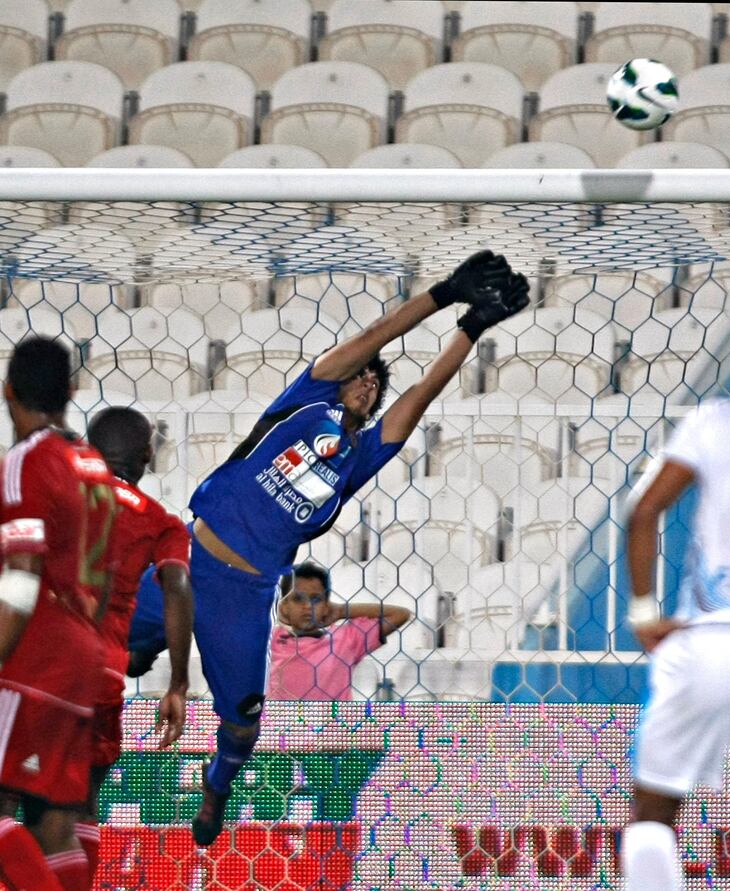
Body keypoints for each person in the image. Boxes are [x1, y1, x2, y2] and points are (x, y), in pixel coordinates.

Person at [188, 250, 530, 844]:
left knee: (243, 725)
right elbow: (376, 335)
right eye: (364, 374)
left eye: (376, 384)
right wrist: (446, 293)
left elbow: (418, 397)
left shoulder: (358, 458)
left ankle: (217, 784)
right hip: (187, 557)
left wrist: (469, 331)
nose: (369, 383)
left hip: (243, 595)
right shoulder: (306, 396)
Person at [622, 306, 730, 891]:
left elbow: (645, 511)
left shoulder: (718, 419)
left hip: (716, 632)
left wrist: (645, 613)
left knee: (655, 803)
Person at [0, 337, 117, 891]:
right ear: (71, 391)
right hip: (83, 656)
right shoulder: (93, 462)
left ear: (7, 392)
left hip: (34, 656)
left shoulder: (25, 460)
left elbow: (21, 579)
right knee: (53, 819)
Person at [73, 406, 194, 883]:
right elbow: (179, 587)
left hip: (33, 664)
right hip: (99, 674)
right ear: (147, 454)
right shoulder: (161, 522)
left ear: (87, 449)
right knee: (81, 805)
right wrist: (179, 683)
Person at [269, 561, 410, 700]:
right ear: (285, 606)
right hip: (284, 720)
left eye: (315, 599)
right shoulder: (270, 640)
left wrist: (341, 610)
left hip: (334, 721)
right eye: (298, 599)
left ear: (326, 605)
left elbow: (401, 614)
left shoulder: (346, 639)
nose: (307, 606)